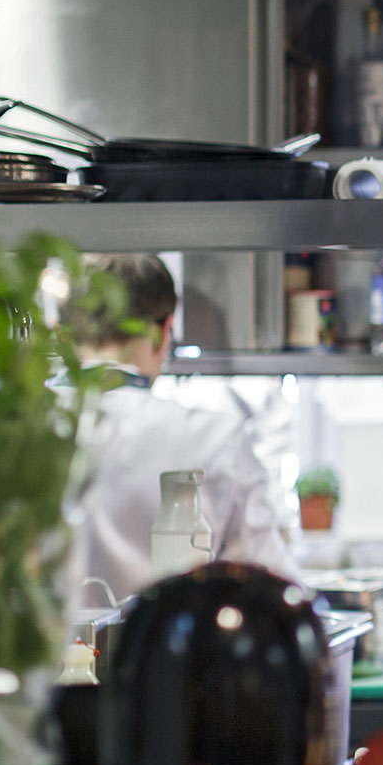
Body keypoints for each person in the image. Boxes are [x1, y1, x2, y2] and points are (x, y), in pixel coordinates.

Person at [61, 253, 302, 613]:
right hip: (169, 646)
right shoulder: (214, 438)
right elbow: (273, 585)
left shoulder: (14, 427)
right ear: (162, 331)